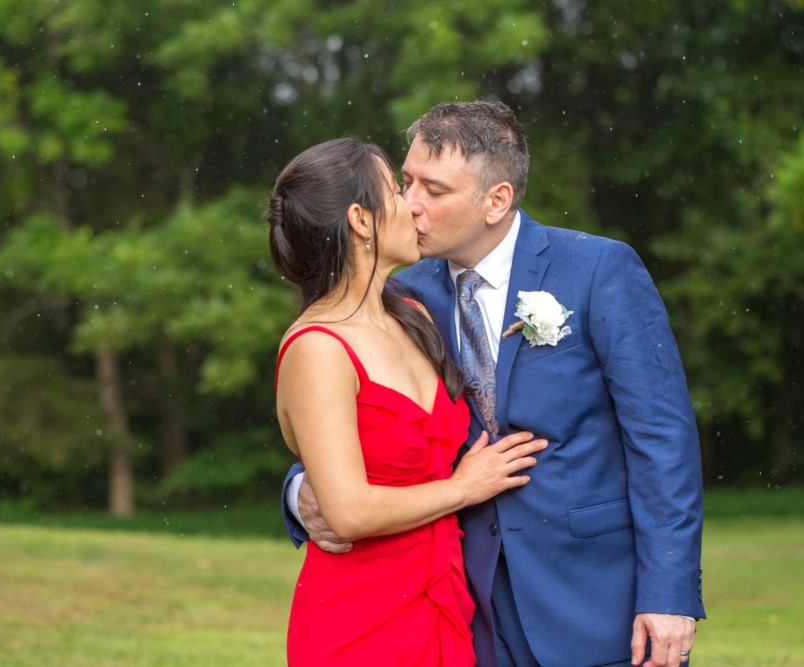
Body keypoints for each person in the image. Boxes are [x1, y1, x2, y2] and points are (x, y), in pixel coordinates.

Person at [283, 102, 706, 667]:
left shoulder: (599, 271)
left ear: (496, 200)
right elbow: (354, 428)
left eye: (433, 190)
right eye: (406, 182)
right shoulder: (404, 299)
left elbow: (663, 439)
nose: (411, 204)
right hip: (461, 608)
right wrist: (300, 490)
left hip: (591, 601)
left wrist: (669, 593)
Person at [268, 136, 548, 666]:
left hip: (443, 596)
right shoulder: (318, 348)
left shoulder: (416, 313)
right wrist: (462, 488)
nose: (413, 204)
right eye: (397, 190)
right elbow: (347, 511)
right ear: (361, 220)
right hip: (360, 614)